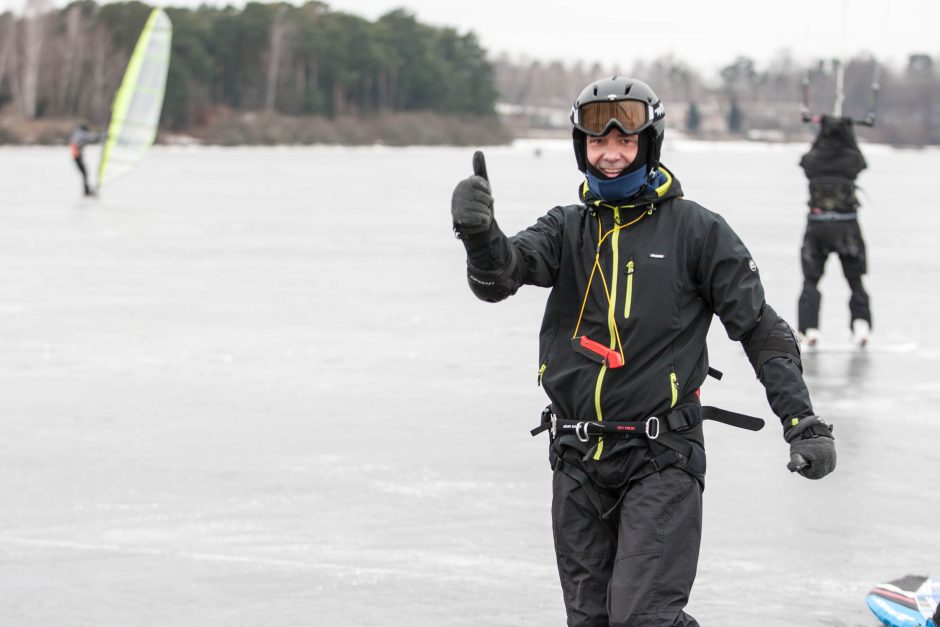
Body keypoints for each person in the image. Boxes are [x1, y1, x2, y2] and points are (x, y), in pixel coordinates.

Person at [450, 76, 837, 626]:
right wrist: (478, 234)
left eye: (624, 143)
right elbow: (500, 277)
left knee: (642, 618)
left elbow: (759, 327)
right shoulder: (567, 227)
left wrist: (801, 420)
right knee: (591, 621)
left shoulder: (697, 231)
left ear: (649, 144)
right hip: (577, 459)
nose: (610, 155)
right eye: (597, 143)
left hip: (662, 457)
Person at [797, 115, 871, 347]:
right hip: (847, 227)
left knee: (811, 280)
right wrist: (848, 132)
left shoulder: (815, 160)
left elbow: (805, 162)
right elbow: (861, 162)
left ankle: (809, 328)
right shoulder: (850, 159)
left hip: (817, 225)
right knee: (855, 279)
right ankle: (861, 324)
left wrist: (822, 133)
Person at [69, 124, 103, 197]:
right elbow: (90, 138)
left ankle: (86, 191)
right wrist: (102, 135)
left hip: (76, 157)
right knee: (85, 174)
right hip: (77, 157)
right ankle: (86, 191)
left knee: (85, 174)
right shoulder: (80, 134)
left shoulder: (77, 133)